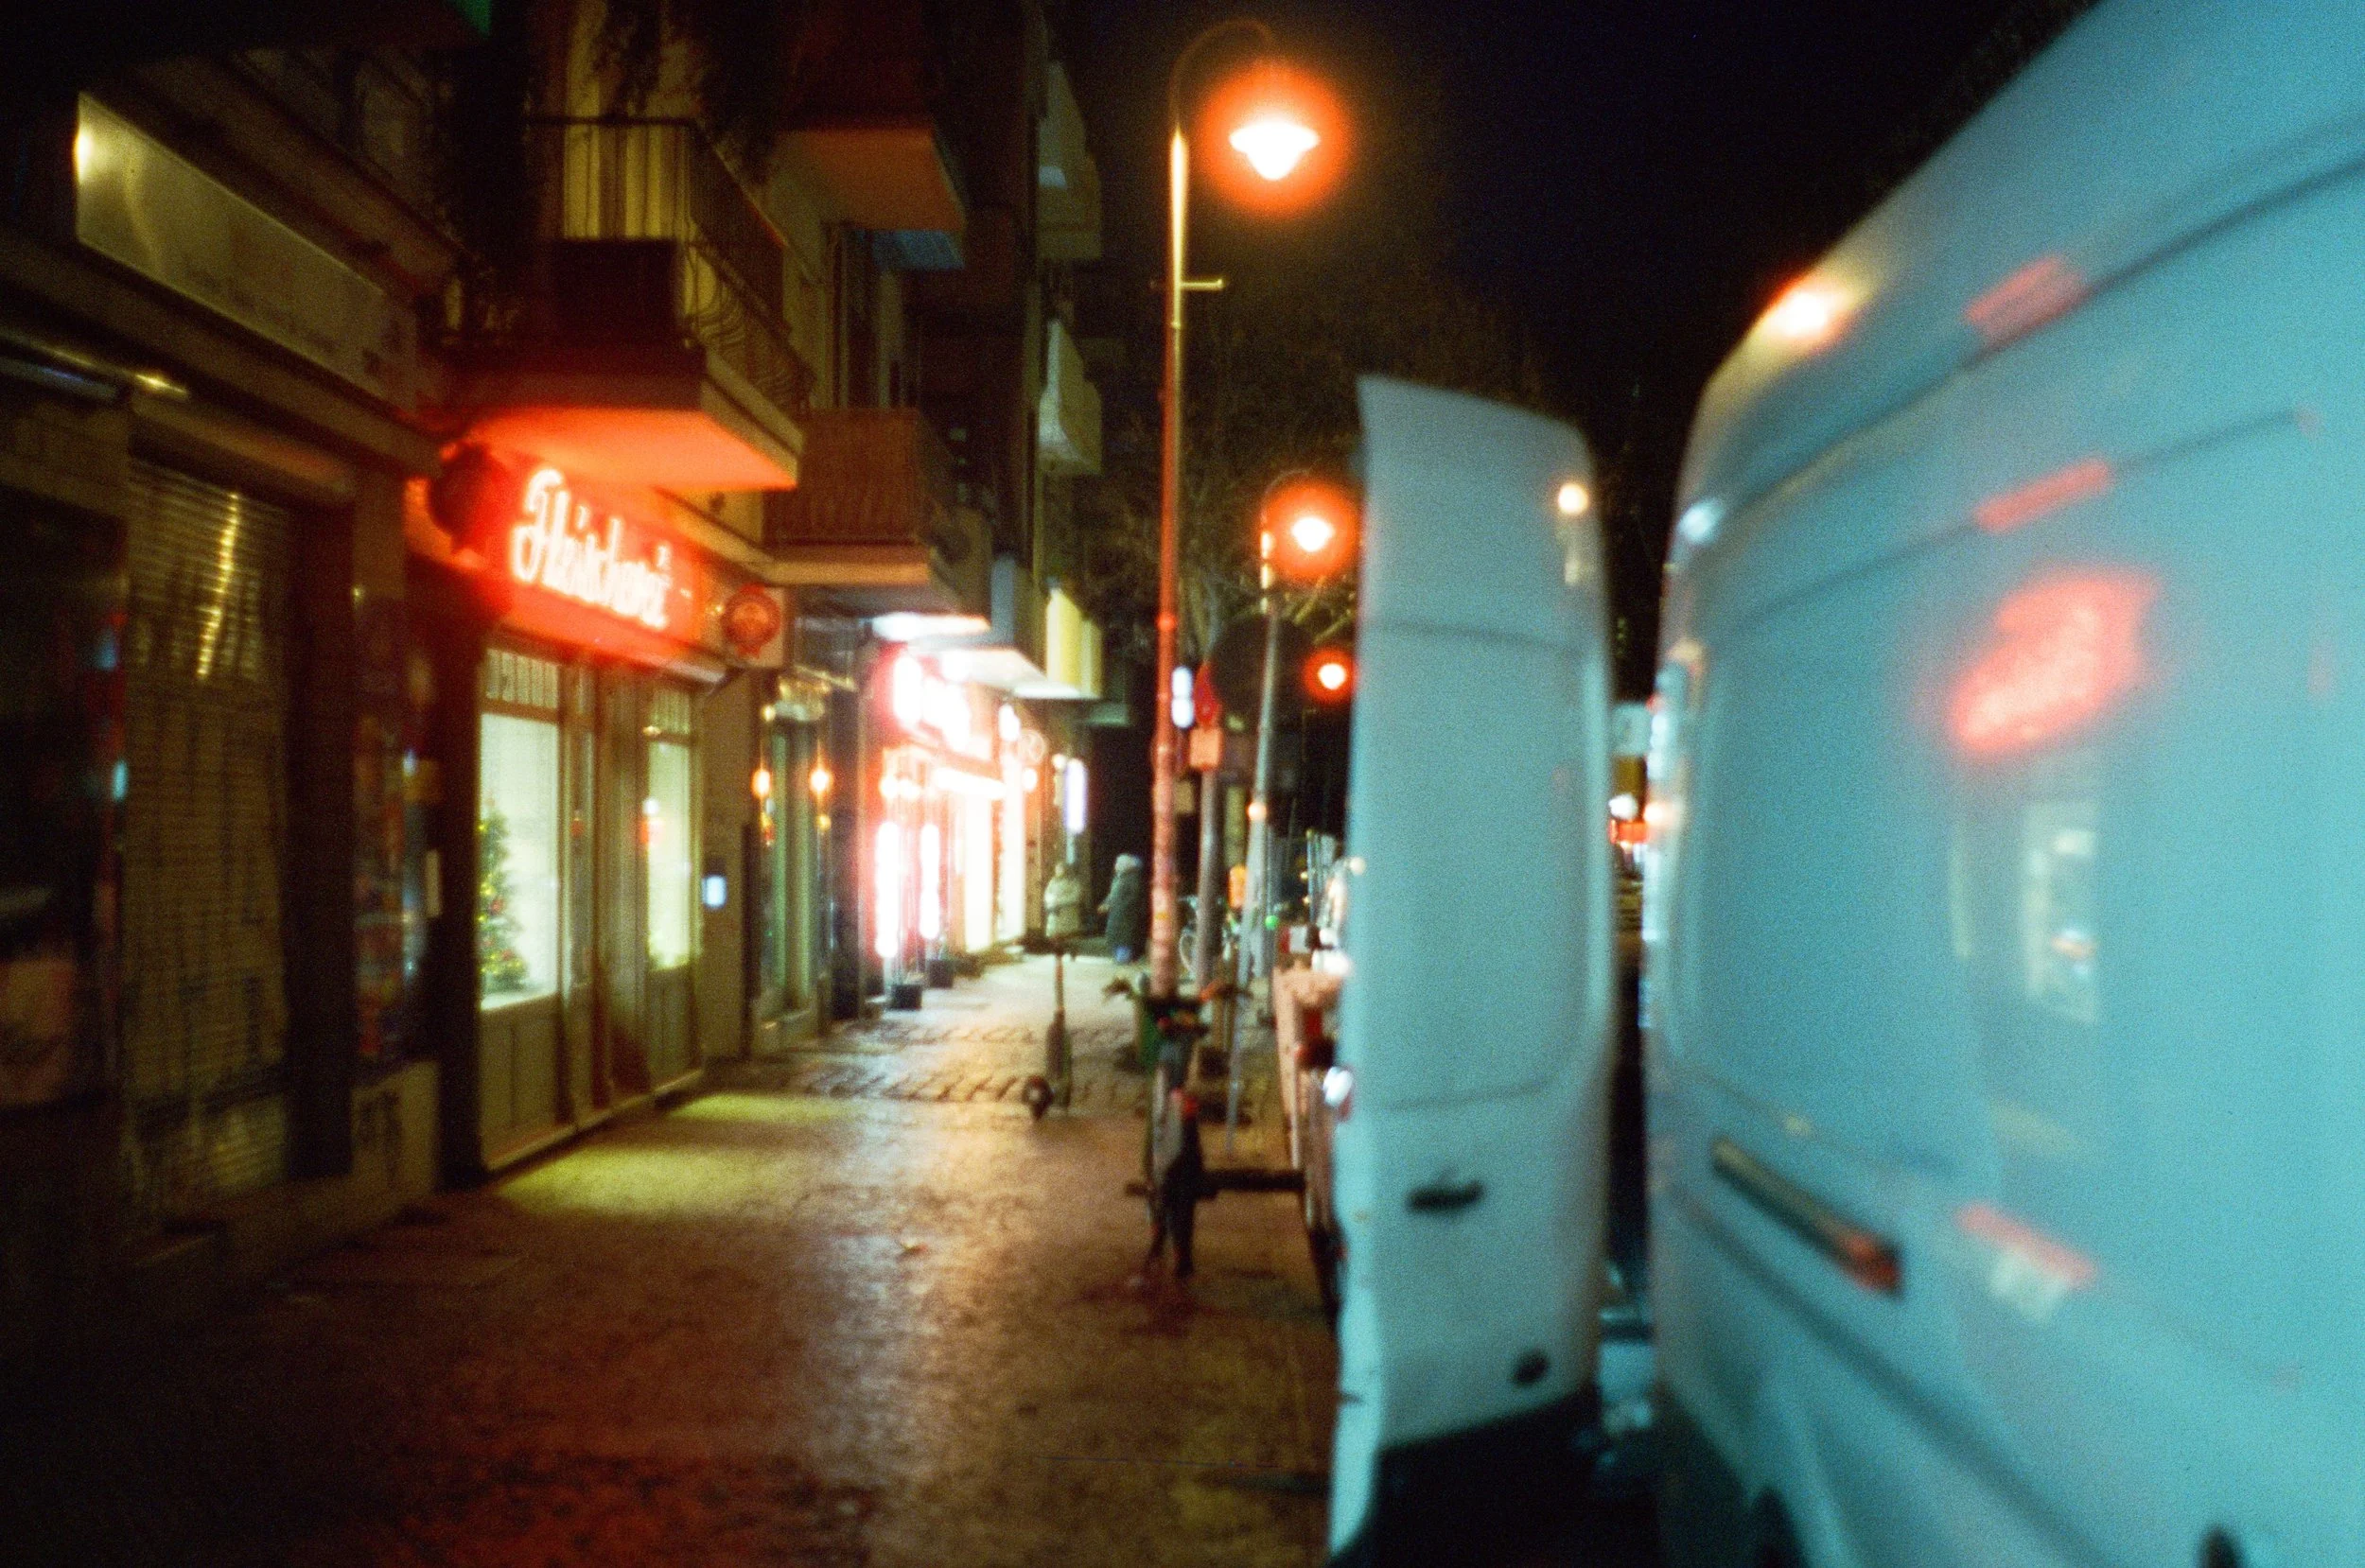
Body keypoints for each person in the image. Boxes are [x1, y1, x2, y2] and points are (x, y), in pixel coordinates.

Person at [1145, 1085, 1208, 1280]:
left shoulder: (1181, 1123)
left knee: (1175, 1218)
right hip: (1178, 1179)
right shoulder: (1181, 1124)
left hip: (1179, 1179)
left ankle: (1173, 1256)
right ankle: (1176, 1257)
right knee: (1177, 1219)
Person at [1100, 853, 1147, 964]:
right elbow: (1112, 895)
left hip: (1126, 917)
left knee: (1125, 939)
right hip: (1117, 915)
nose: (1116, 865)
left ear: (1126, 865)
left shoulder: (1133, 878)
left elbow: (1133, 898)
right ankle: (1120, 960)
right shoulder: (1119, 877)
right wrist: (1106, 903)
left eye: (1119, 863)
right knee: (1117, 938)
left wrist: (1115, 906)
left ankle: (1124, 961)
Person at [1043, 863, 1083, 942]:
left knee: (1068, 936)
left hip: (1067, 913)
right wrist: (1051, 900)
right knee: (1054, 936)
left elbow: (1075, 896)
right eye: (1057, 869)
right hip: (1054, 913)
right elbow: (1047, 893)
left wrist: (1060, 901)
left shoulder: (1073, 882)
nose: (1058, 871)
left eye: (1060, 869)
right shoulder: (1053, 881)